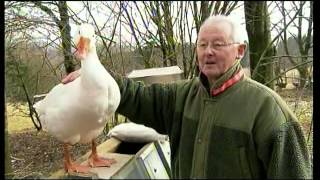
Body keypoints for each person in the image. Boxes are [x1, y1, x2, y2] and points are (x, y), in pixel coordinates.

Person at [62, 15, 311, 179]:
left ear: (240, 50)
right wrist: (99, 78)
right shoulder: (182, 96)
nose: (208, 52)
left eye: (219, 44)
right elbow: (136, 96)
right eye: (202, 45)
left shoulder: (267, 110)